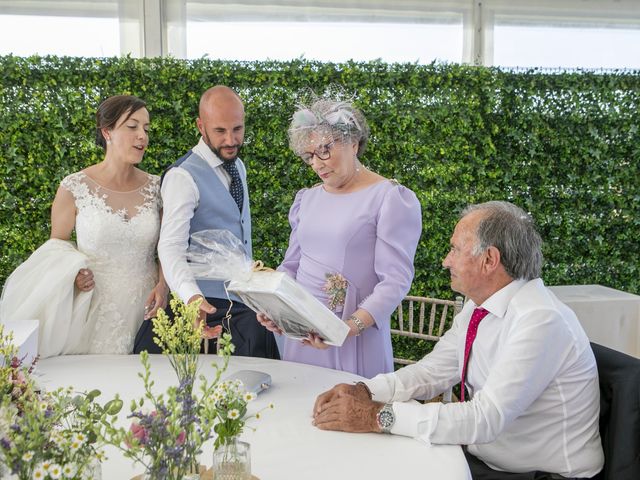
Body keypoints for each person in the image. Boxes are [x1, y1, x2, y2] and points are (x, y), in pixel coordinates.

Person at [312, 201, 604, 479]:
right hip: (486, 461)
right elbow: (433, 371)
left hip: (544, 475)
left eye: (454, 249)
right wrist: (366, 390)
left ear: (489, 259)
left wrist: (376, 417)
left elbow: (484, 419)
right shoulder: (479, 305)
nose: (445, 261)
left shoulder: (540, 319)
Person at [256, 93, 422, 378]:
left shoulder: (390, 198)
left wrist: (349, 326)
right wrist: (277, 308)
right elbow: (291, 266)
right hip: (303, 339)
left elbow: (395, 281)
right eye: (309, 156)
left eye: (325, 150)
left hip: (353, 338)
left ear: (353, 142)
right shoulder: (306, 199)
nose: (317, 164)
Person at [0, 95, 167, 356]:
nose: (142, 136)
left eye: (146, 128)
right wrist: (75, 273)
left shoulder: (158, 188)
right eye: (132, 127)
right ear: (107, 131)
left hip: (148, 310)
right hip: (94, 309)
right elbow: (57, 248)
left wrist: (163, 286)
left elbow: (170, 246)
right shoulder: (74, 187)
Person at [134, 85, 279, 358]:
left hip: (242, 305)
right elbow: (170, 247)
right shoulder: (182, 177)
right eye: (220, 131)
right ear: (201, 126)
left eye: (237, 129)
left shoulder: (239, 166)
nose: (231, 140)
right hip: (204, 307)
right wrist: (192, 297)